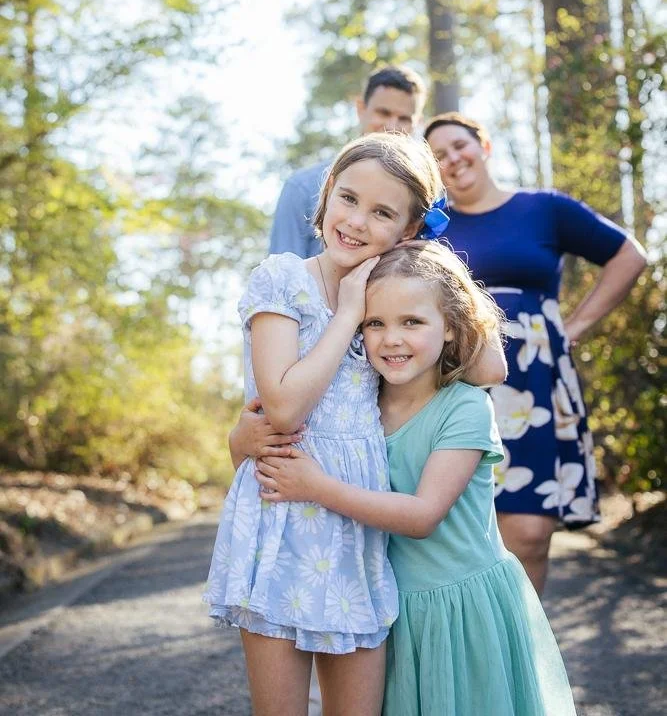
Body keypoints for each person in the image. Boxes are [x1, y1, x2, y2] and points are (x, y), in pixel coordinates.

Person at [204, 133, 506, 716]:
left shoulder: (388, 293)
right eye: (347, 198)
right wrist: (347, 313)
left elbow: (489, 366)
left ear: (409, 228)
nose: (357, 221)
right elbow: (285, 408)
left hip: (358, 530)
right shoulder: (282, 279)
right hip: (282, 518)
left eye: (383, 213)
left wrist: (433, 263)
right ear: (325, 197)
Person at [255, 241, 576, 716]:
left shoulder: (465, 407)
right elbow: (269, 424)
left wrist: (316, 487)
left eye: (412, 322)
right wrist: (243, 438)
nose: (392, 339)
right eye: (375, 323)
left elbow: (424, 515)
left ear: (450, 328)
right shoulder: (357, 403)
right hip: (390, 609)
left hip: (462, 610)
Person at [424, 112, 648, 594]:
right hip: (456, 380)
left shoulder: (545, 208)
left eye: (460, 145)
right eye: (438, 155)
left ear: (483, 146)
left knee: (528, 533)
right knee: (458, 531)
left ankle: (524, 642)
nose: (453, 159)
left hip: (535, 384)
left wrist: (574, 326)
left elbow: (630, 256)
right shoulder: (431, 230)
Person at [269, 65, 426, 258]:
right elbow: (285, 267)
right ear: (361, 108)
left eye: (404, 119)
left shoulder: (420, 196)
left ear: (417, 122)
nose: (392, 127)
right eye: (383, 113)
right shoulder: (302, 187)